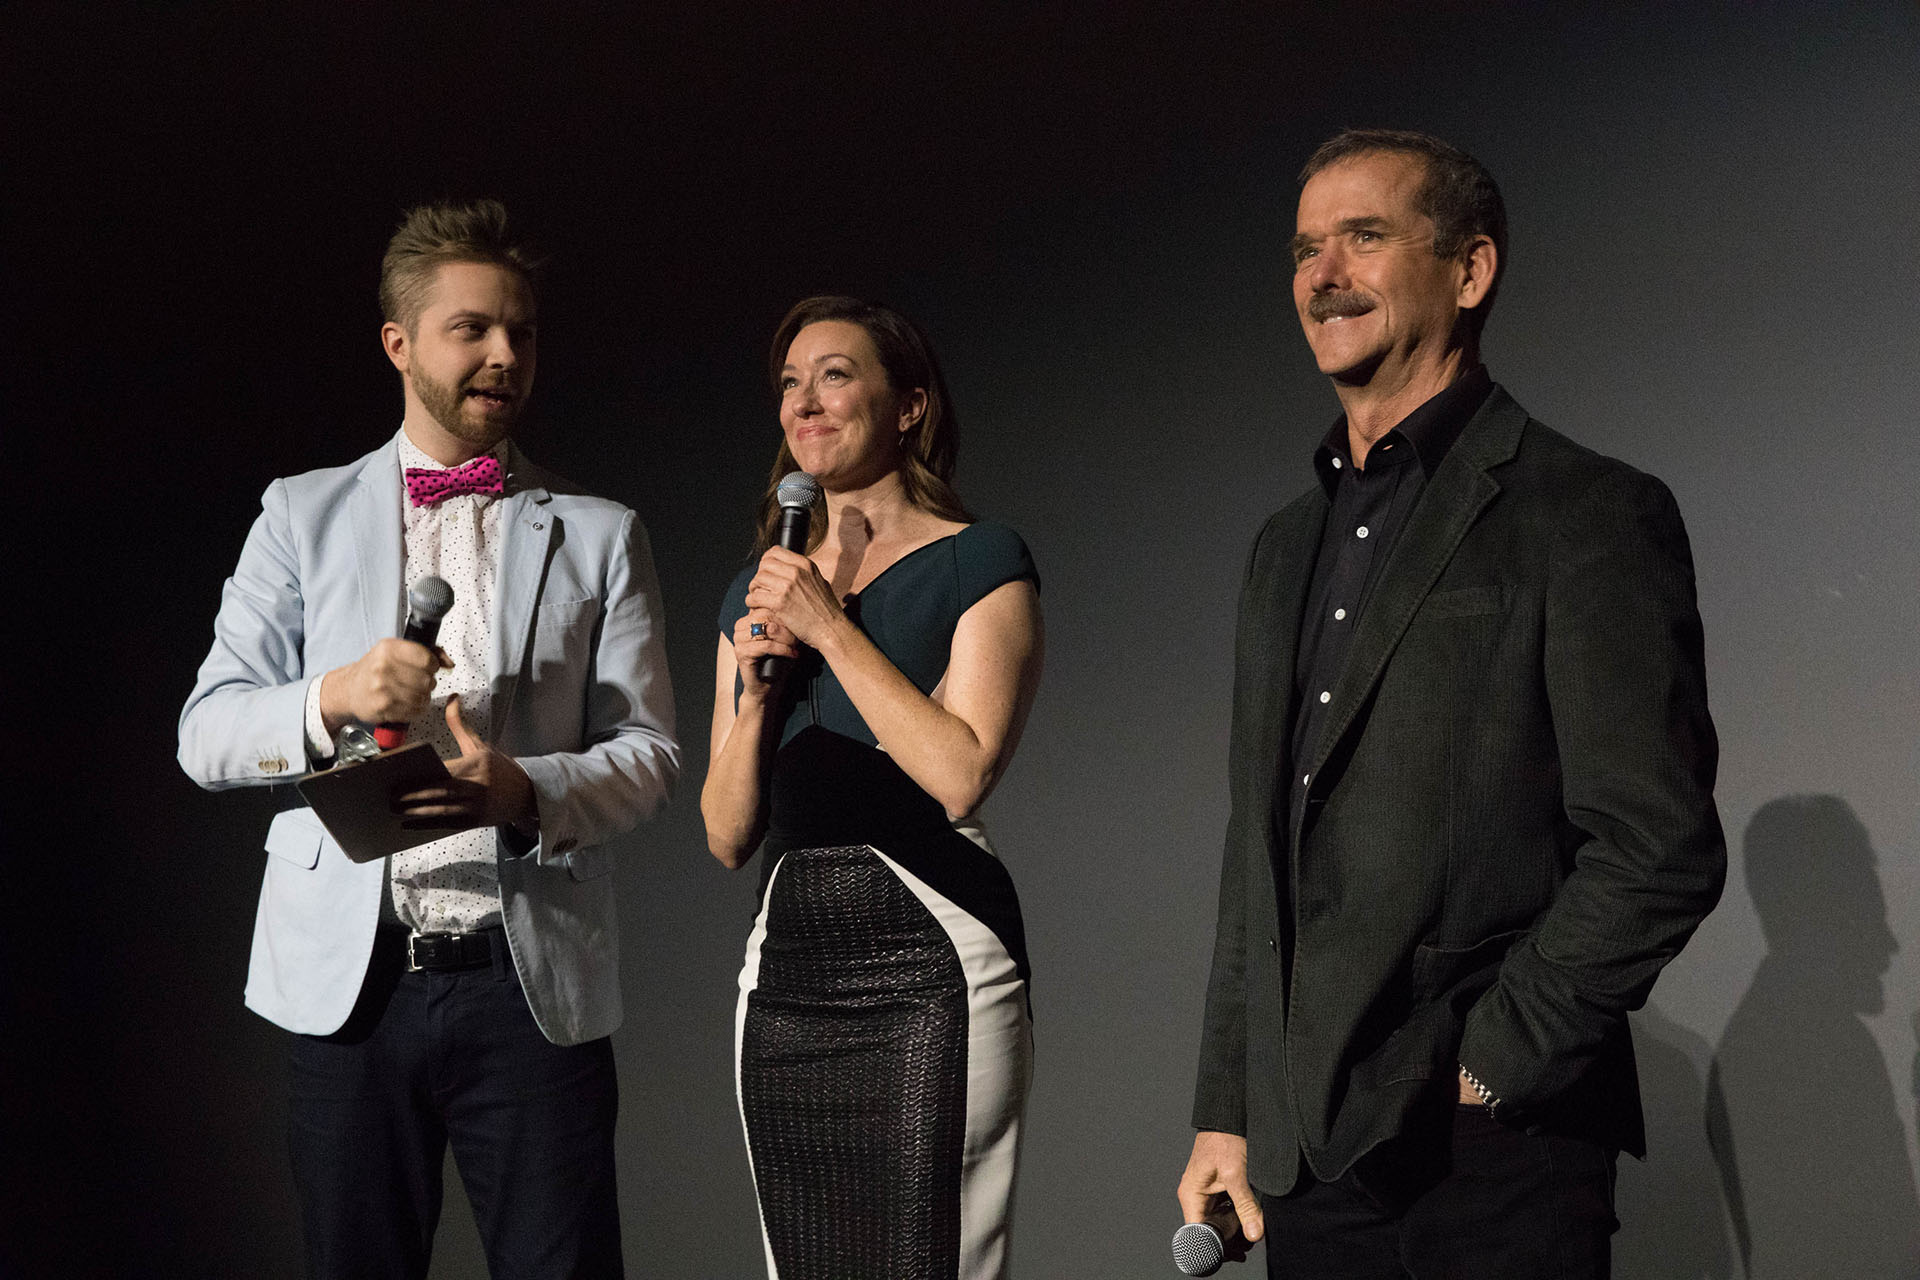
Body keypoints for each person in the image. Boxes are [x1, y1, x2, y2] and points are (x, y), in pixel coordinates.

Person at [1176, 130, 1726, 1278]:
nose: (1323, 272)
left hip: (1491, 1152)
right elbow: (1259, 852)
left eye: (1364, 237)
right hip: (1306, 1163)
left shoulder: (1586, 511)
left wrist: (1496, 1062)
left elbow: (1657, 840)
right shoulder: (1283, 547)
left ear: (1469, 271)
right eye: (1305, 248)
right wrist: (1232, 1105)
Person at [178, 198, 679, 1278]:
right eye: (473, 329)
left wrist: (525, 789)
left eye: (523, 331)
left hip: (529, 983)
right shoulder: (297, 513)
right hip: (349, 990)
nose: (505, 355)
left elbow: (648, 752)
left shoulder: (601, 532)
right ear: (400, 343)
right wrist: (334, 694)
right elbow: (207, 731)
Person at [703, 296, 1044, 1279]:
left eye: (837, 373)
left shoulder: (982, 558)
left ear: (909, 406)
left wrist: (832, 628)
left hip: (933, 945)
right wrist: (763, 681)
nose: (806, 401)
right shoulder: (756, 590)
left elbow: (959, 768)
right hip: (788, 960)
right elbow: (727, 832)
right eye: (789, 383)